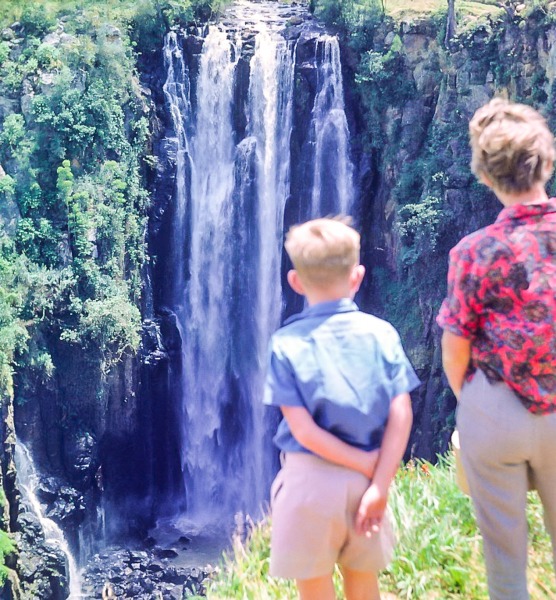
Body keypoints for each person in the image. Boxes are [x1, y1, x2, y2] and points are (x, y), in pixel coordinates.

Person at [437, 98, 556, 599]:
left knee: (504, 559)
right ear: (546, 160)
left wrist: (478, 409)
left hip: (494, 409)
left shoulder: (473, 250)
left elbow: (455, 347)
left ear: (484, 175)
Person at [264, 217, 420, 600]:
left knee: (314, 588)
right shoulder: (382, 334)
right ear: (358, 276)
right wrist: (378, 478)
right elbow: (402, 412)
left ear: (296, 282)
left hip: (309, 483)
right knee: (364, 581)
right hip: (367, 482)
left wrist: (362, 464)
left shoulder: (286, 342)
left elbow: (302, 431)